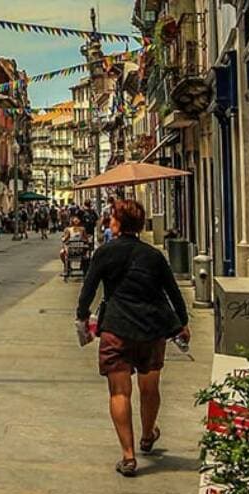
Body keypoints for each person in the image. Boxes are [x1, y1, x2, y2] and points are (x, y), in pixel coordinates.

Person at [75, 199, 190, 478]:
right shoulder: (153, 256)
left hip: (116, 329)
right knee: (150, 389)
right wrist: (182, 323)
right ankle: (148, 435)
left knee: (119, 392)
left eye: (112, 217)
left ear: (118, 223)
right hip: (151, 330)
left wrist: (81, 317)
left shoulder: (105, 253)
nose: (109, 222)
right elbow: (173, 293)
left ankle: (128, 457)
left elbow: (89, 289)